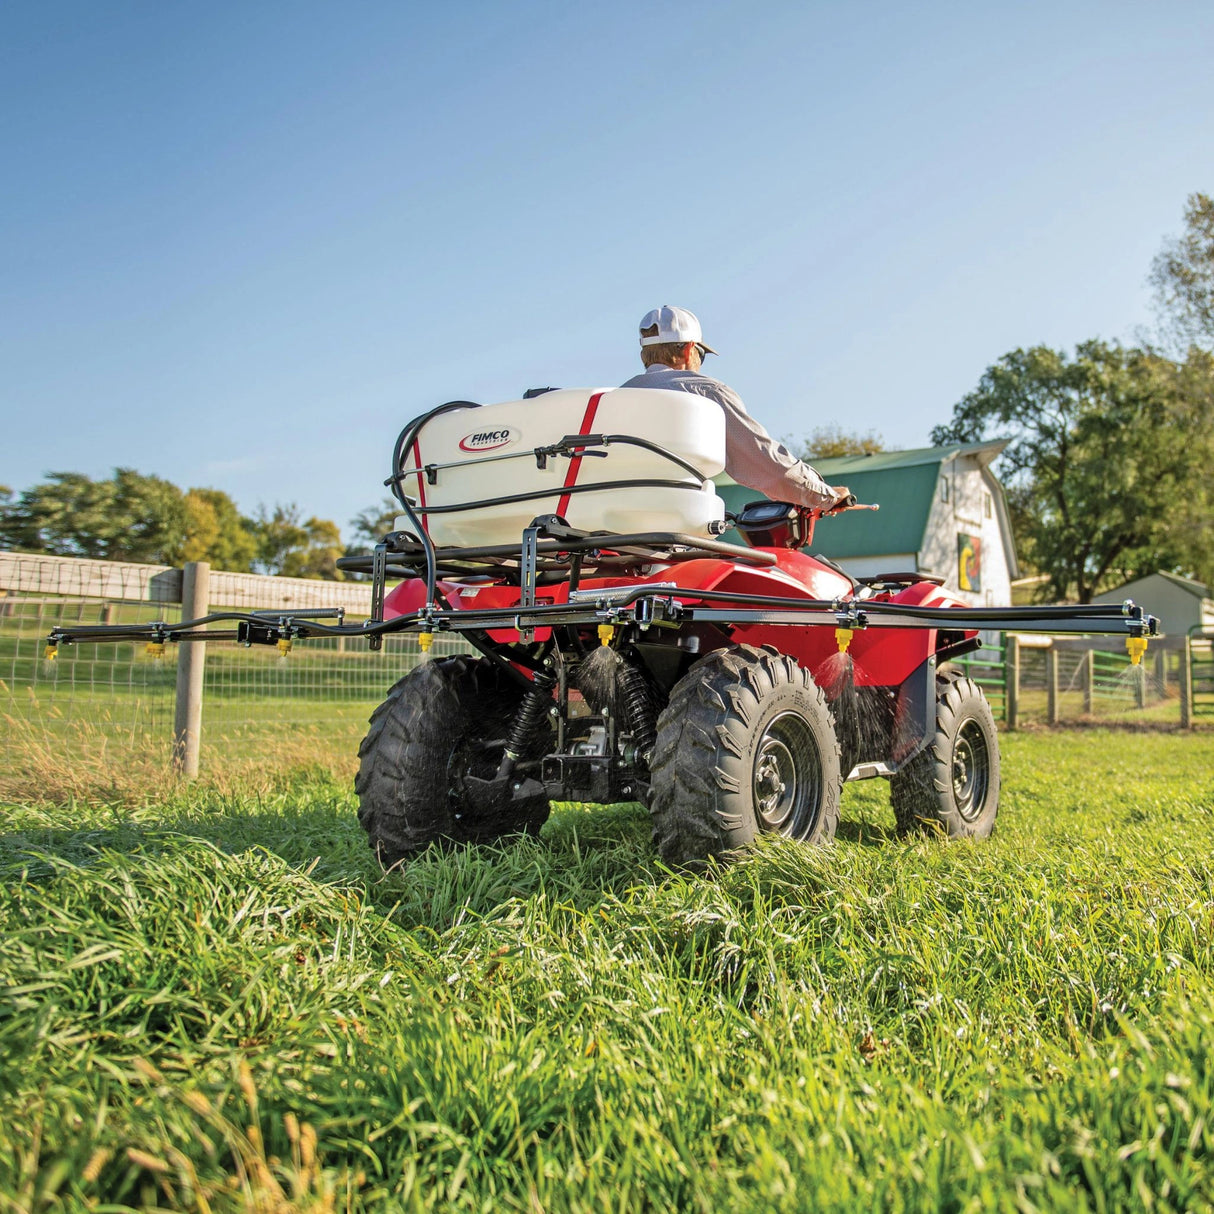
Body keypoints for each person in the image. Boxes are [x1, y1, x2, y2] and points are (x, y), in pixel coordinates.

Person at [620, 305, 849, 511]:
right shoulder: (705, 393)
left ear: (644, 354)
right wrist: (825, 495)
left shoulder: (613, 399)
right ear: (688, 350)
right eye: (701, 354)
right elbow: (765, 464)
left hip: (607, 531)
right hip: (673, 527)